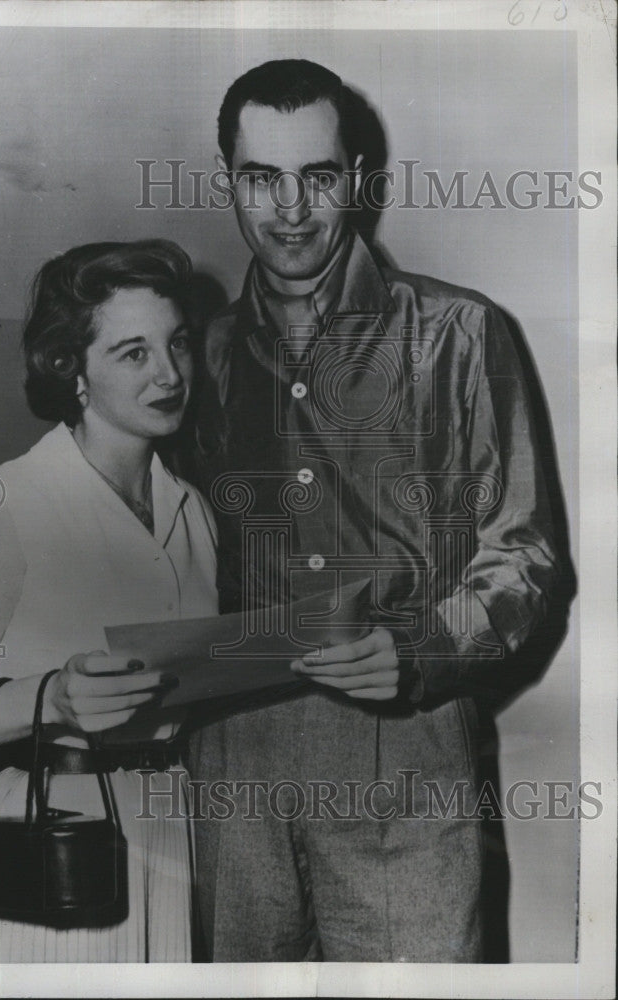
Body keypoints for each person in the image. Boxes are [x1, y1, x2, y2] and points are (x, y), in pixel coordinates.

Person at [186, 59, 563, 962]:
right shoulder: (195, 355)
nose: (289, 209)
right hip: (234, 757)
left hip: (408, 748)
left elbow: (525, 558)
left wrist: (421, 649)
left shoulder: (461, 334)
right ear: (227, 181)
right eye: (259, 179)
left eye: (315, 177)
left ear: (355, 179)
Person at [0, 240, 218, 963]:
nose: (168, 373)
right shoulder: (9, 500)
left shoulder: (194, 510)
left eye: (176, 344)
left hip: (168, 830)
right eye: (132, 353)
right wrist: (51, 699)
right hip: (46, 835)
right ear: (73, 370)